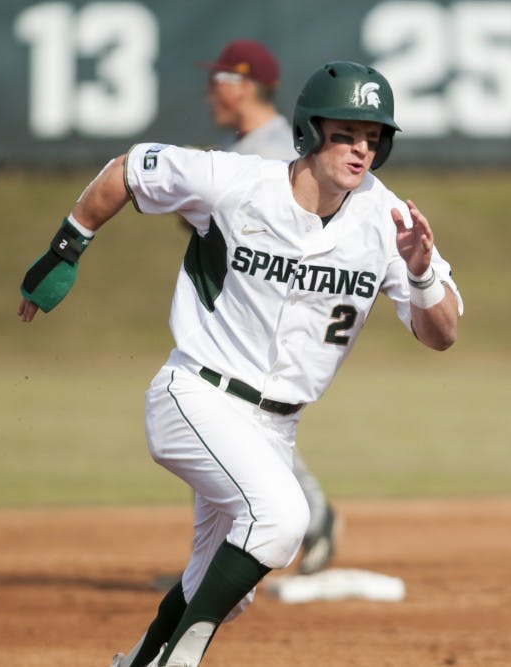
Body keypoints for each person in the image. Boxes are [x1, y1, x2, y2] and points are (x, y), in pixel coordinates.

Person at [17, 60, 462, 667]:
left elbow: (442, 334)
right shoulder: (236, 182)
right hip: (196, 395)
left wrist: (419, 272)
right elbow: (128, 170)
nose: (361, 149)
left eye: (373, 138)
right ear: (309, 132)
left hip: (276, 428)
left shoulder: (387, 224)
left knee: (221, 593)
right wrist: (69, 245)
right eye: (346, 133)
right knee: (282, 519)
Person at [198, 38, 340, 576]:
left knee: (249, 417)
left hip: (280, 309)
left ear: (241, 86)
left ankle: (313, 516)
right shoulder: (250, 147)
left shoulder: (274, 149)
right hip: (249, 305)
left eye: (216, 81)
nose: (209, 92)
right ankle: (215, 555)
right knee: (236, 419)